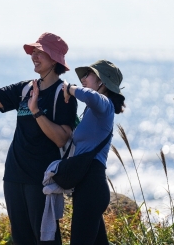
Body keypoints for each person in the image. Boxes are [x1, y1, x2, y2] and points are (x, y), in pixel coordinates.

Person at [0, 32, 77, 244]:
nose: (34, 56)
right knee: (21, 239)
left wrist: (36, 111)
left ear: (55, 58)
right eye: (34, 52)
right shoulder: (26, 88)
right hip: (13, 176)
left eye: (41, 53)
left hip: (41, 180)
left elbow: (61, 139)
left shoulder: (63, 93)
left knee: (46, 240)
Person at [57, 60, 126, 244]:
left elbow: (92, 97)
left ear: (102, 82)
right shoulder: (92, 111)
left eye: (88, 74)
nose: (82, 78)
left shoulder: (104, 104)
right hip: (87, 187)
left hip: (91, 187)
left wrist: (69, 88)